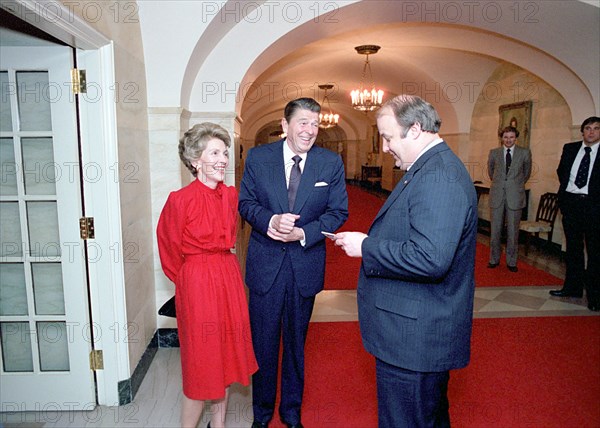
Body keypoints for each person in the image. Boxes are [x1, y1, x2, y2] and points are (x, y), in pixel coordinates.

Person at [333, 95, 478, 427]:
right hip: (411, 332)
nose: (384, 147)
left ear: (415, 130)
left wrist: (367, 247)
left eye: (388, 137)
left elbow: (430, 258)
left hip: (416, 338)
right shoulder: (427, 168)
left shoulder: (439, 176)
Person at [239, 97, 348, 428]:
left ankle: (291, 412)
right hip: (265, 268)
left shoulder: (330, 163)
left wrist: (303, 232)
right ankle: (261, 414)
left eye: (315, 124)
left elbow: (337, 212)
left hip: (305, 265)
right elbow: (246, 203)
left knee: (297, 346)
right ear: (285, 125)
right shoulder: (259, 158)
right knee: (264, 344)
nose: (310, 130)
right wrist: (270, 221)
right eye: (303, 122)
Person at [157, 123, 258, 428]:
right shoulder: (180, 199)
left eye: (225, 153)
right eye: (214, 152)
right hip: (198, 282)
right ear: (195, 159)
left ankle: (219, 425)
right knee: (202, 362)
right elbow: (169, 250)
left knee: (225, 356)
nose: (223, 159)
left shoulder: (230, 196)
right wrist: (191, 282)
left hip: (227, 277)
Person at [550, 116, 600, 312]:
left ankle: (594, 295)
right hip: (571, 204)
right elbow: (562, 171)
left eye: (596, 129)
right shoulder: (570, 148)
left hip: (594, 207)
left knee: (595, 252)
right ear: (582, 131)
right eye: (587, 128)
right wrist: (567, 197)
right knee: (573, 248)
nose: (591, 132)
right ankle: (572, 287)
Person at [487, 126, 532, 272]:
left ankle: (511, 262)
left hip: (515, 196)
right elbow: (491, 172)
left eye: (511, 137)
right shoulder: (494, 152)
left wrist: (514, 185)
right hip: (497, 195)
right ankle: (494, 259)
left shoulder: (525, 153)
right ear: (502, 138)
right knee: (495, 230)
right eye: (505, 137)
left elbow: (526, 173)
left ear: (516, 138)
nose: (508, 140)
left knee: (513, 231)